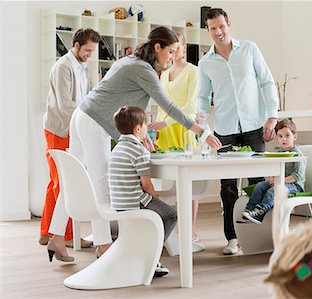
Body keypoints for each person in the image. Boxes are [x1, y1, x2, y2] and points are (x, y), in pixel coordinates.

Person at [47, 26, 221, 262]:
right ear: (157, 47)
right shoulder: (144, 70)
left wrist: (142, 134)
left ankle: (56, 236)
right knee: (101, 184)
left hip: (83, 115)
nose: (171, 57)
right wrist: (201, 131)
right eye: (170, 51)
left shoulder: (130, 61)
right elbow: (169, 107)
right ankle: (104, 245)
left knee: (73, 181)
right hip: (95, 122)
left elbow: (126, 102)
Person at [197, 8, 279, 255]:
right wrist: (205, 130)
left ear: (228, 24)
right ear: (208, 30)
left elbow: (266, 81)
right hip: (225, 130)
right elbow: (201, 99)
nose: (219, 32)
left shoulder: (250, 49)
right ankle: (232, 238)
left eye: (221, 26)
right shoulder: (205, 62)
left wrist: (272, 117)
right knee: (228, 187)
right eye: (213, 28)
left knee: (258, 184)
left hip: (254, 126)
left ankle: (258, 237)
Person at [41, 28, 100, 250]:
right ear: (75, 46)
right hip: (59, 129)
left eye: (92, 51)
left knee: (55, 180)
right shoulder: (62, 67)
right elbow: (65, 104)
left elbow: (92, 95)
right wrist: (86, 120)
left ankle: (46, 231)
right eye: (87, 50)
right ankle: (66, 236)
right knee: (64, 182)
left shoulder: (85, 67)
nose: (89, 55)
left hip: (74, 128)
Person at [150, 32, 204, 251]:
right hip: (163, 132)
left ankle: (190, 230)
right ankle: (162, 228)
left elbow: (191, 106)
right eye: (171, 49)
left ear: (184, 46)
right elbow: (162, 104)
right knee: (161, 179)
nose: (174, 52)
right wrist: (155, 127)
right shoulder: (164, 73)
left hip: (184, 130)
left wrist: (167, 123)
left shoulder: (194, 72)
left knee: (188, 183)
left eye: (177, 47)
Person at [109, 106, 176, 277]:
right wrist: (156, 197)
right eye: (146, 124)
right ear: (138, 128)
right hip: (134, 202)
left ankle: (145, 255)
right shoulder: (138, 151)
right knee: (171, 215)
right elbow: (146, 185)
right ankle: (151, 258)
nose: (147, 127)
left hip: (118, 202)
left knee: (158, 213)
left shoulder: (117, 149)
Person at [242, 119, 306, 224]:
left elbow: (297, 176)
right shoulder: (279, 152)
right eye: (280, 136)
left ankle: (260, 212)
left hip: (294, 185)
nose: (283, 139)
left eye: (287, 135)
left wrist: (279, 181)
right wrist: (272, 177)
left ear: (295, 136)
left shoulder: (297, 154)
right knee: (259, 186)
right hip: (280, 181)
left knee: (273, 190)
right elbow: (273, 168)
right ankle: (249, 210)